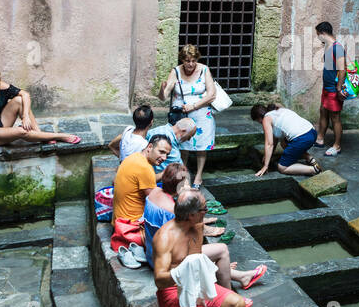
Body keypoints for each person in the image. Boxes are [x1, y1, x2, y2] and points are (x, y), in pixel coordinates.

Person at [143, 164, 266, 292]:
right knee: (221, 250)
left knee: (214, 259)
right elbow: (187, 244)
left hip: (151, 253)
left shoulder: (155, 192)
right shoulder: (171, 210)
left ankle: (233, 273)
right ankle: (235, 282)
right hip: (167, 263)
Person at [0, 62, 80, 146]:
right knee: (22, 131)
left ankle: (39, 134)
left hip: (1, 122)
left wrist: (25, 116)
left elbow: (25, 95)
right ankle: (61, 136)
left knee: (20, 100)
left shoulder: (0, 86)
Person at [158, 45, 217, 188]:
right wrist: (162, 89)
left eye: (193, 60)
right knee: (183, 147)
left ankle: (198, 176)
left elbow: (212, 94)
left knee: (201, 148)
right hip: (182, 117)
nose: (190, 64)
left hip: (202, 115)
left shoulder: (203, 69)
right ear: (182, 60)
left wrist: (194, 106)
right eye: (187, 61)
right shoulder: (176, 71)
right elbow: (164, 97)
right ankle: (183, 174)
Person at [111, 134, 172, 257]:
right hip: (131, 225)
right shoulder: (145, 168)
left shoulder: (134, 157)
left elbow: (146, 180)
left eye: (167, 154)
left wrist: (164, 173)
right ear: (150, 147)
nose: (164, 157)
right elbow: (155, 203)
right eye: (161, 152)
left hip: (118, 219)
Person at [251, 103, 321, 177]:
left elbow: (269, 144)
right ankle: (310, 158)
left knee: (282, 168)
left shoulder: (266, 119)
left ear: (258, 117)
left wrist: (265, 166)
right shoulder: (278, 111)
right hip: (312, 132)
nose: (260, 123)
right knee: (284, 144)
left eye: (258, 121)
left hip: (302, 138)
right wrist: (268, 156)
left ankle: (314, 169)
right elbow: (274, 140)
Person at [313, 21, 346, 157]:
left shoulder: (337, 48)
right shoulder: (328, 46)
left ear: (323, 33)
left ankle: (337, 146)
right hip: (326, 88)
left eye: (318, 35)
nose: (318, 38)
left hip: (333, 89)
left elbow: (342, 70)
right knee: (323, 111)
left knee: (335, 117)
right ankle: (320, 138)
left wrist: (338, 89)